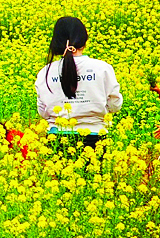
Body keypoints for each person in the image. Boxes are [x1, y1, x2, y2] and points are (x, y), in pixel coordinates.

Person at [34, 16, 123, 151]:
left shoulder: (45, 72)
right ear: (84, 41)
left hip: (56, 139)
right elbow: (115, 105)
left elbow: (43, 111)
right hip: (95, 138)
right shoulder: (102, 68)